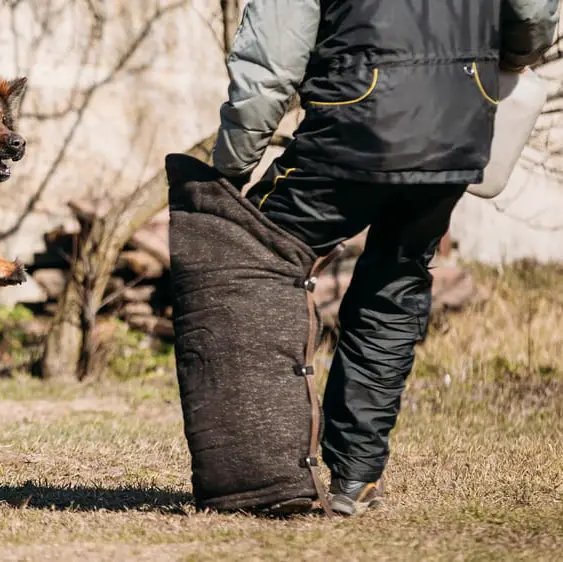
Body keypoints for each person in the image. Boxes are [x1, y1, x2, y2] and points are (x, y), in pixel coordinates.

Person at [198, 0, 559, 516]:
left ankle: (261, 473)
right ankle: (356, 478)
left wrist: (231, 171)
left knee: (250, 261)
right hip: (455, 130)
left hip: (354, 122)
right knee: (394, 288)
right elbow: (532, 17)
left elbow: (269, 68)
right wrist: (506, 59)